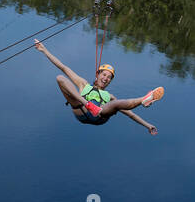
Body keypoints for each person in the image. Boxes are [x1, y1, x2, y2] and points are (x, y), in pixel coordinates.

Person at [33, 39, 163, 134]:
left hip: (100, 116)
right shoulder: (83, 83)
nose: (105, 79)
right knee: (60, 78)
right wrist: (44, 50)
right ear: (97, 74)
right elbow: (63, 67)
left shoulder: (109, 96)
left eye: (109, 78)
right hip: (81, 108)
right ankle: (88, 103)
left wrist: (147, 125)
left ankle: (144, 99)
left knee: (115, 104)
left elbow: (130, 115)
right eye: (104, 75)